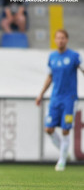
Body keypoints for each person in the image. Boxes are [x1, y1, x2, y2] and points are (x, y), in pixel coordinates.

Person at [36, 29, 84, 171]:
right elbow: (49, 77)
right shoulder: (52, 57)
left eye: (63, 38)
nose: (60, 40)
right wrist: (40, 94)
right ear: (55, 40)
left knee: (65, 130)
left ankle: (62, 161)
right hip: (55, 98)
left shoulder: (75, 56)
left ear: (67, 40)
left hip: (69, 99)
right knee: (49, 129)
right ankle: (64, 152)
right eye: (58, 38)